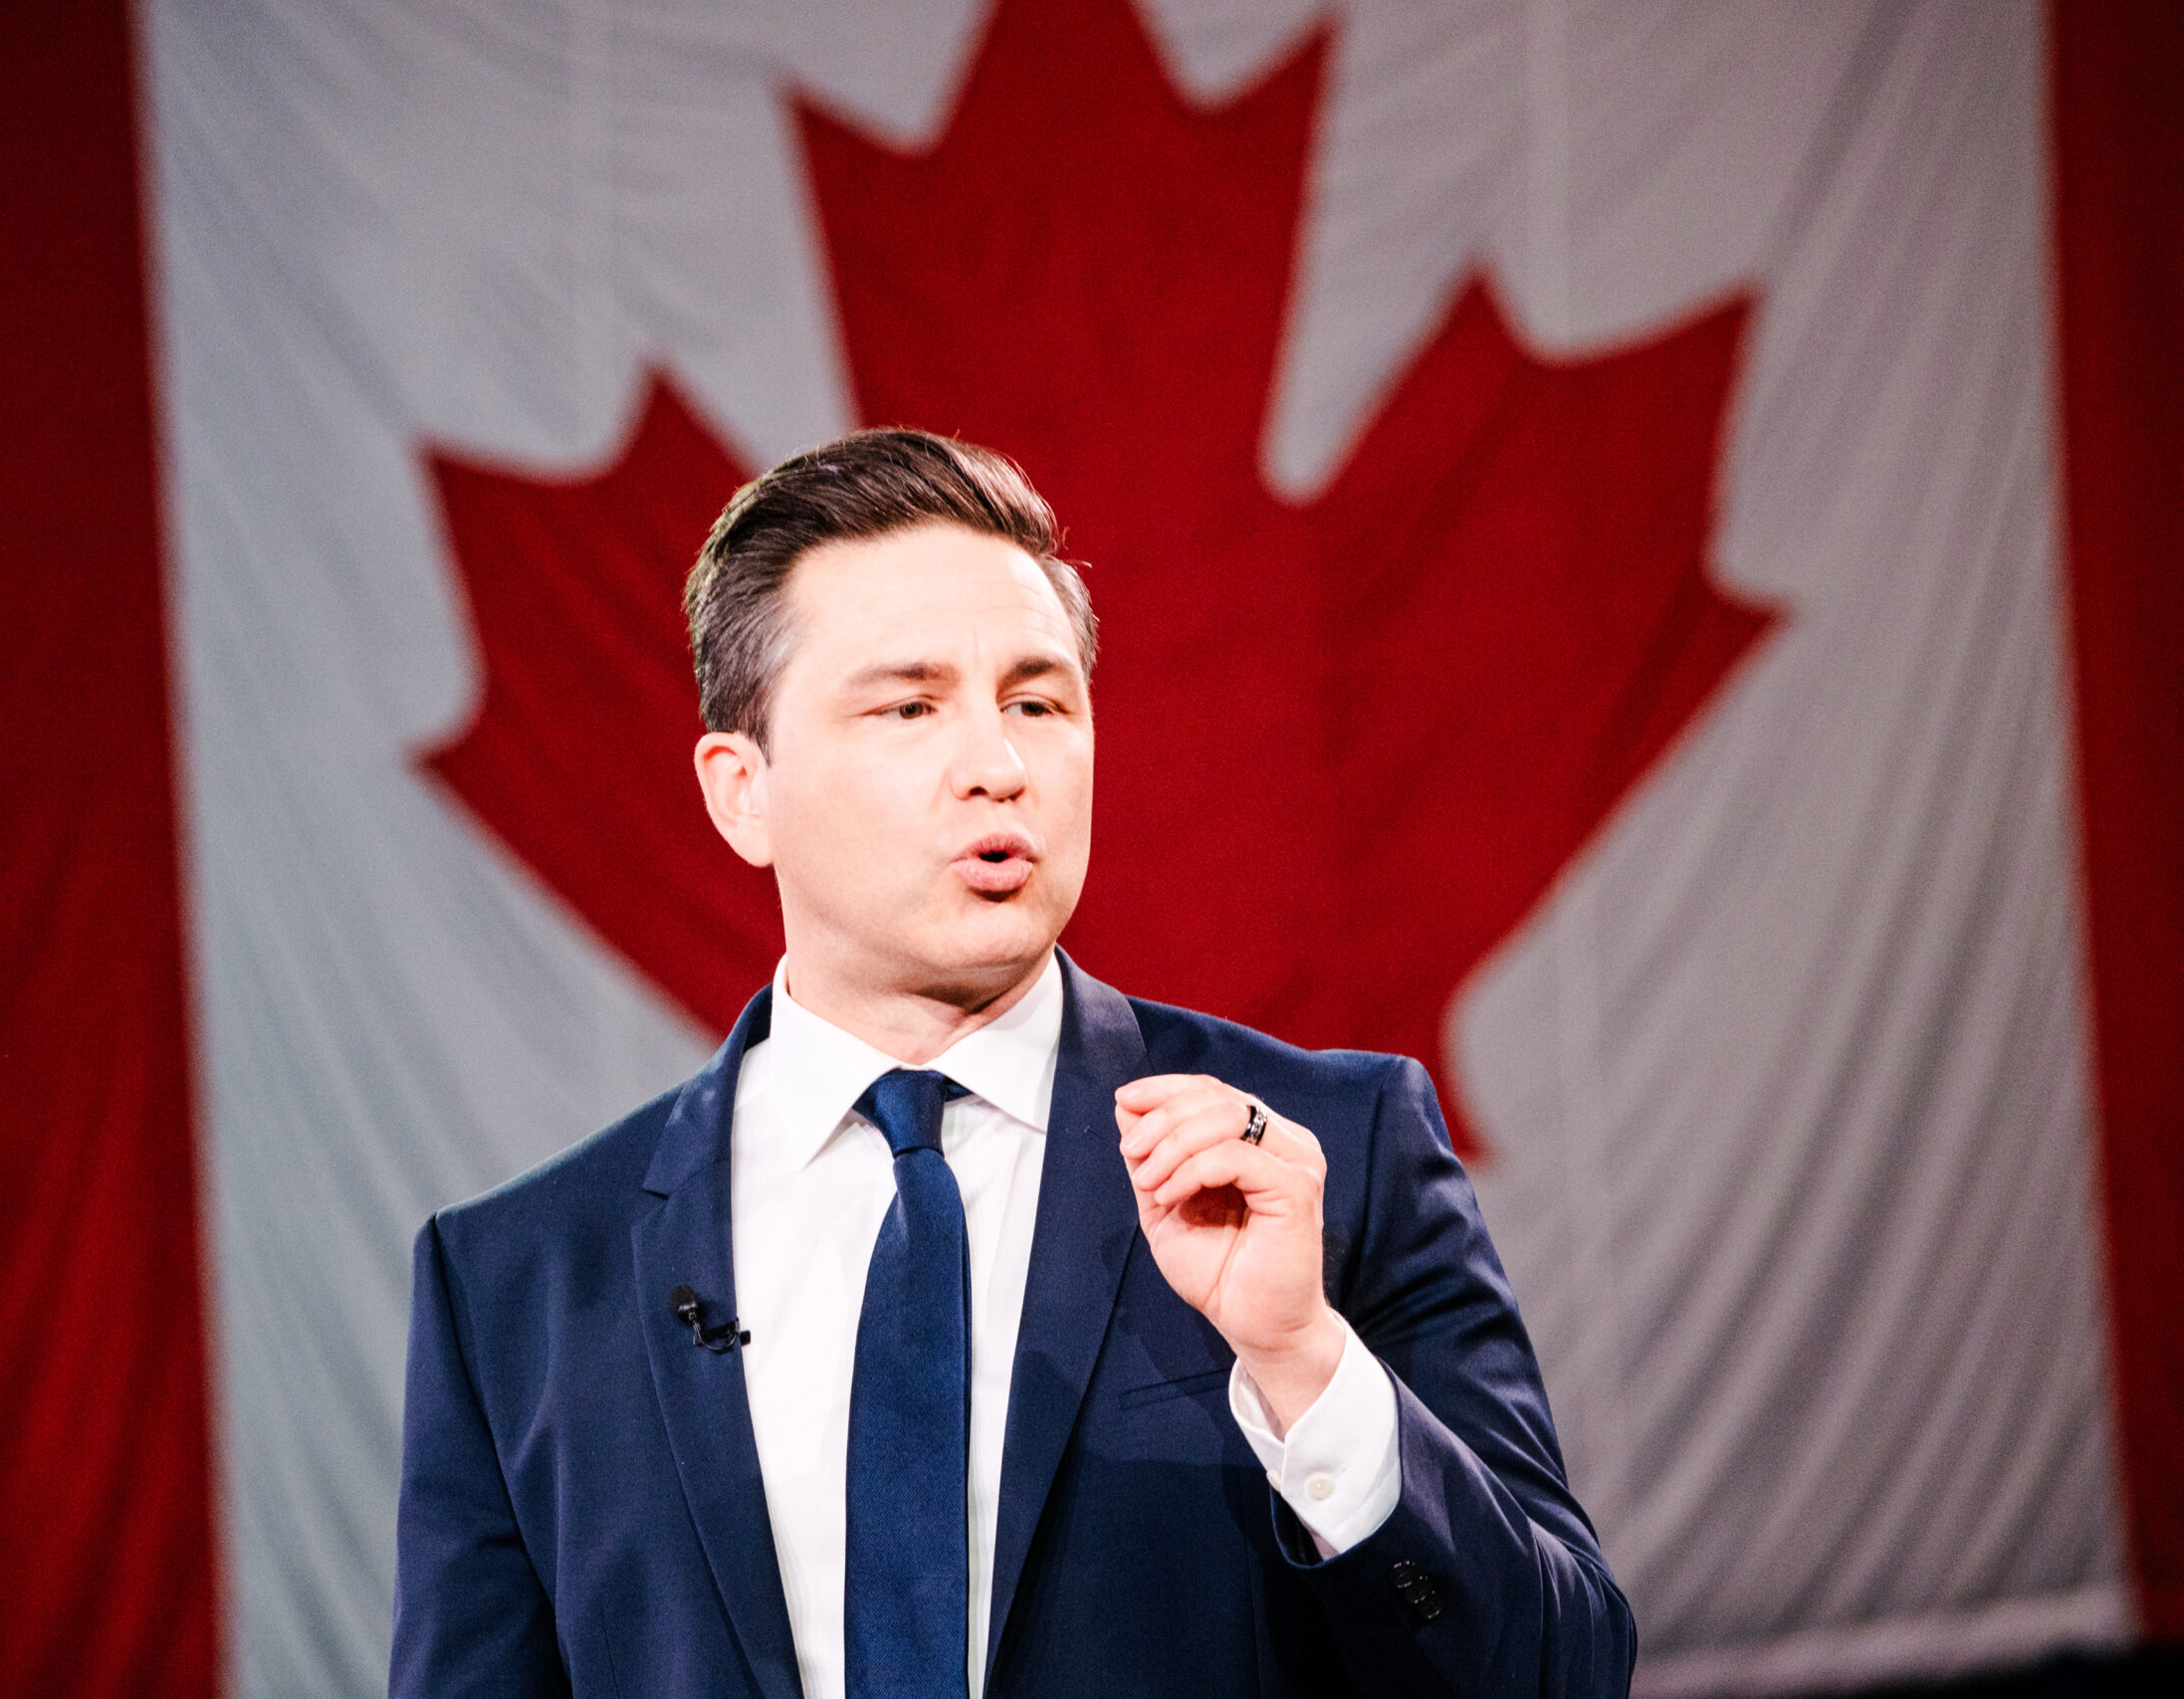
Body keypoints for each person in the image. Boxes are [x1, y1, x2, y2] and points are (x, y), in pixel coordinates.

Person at [389, 430, 1634, 1699]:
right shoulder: (521, 1284)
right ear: (739, 790)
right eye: (909, 706)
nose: (998, 767)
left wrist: (1305, 1363)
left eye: (1037, 702)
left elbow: (1560, 1673)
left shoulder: (1328, 1156)